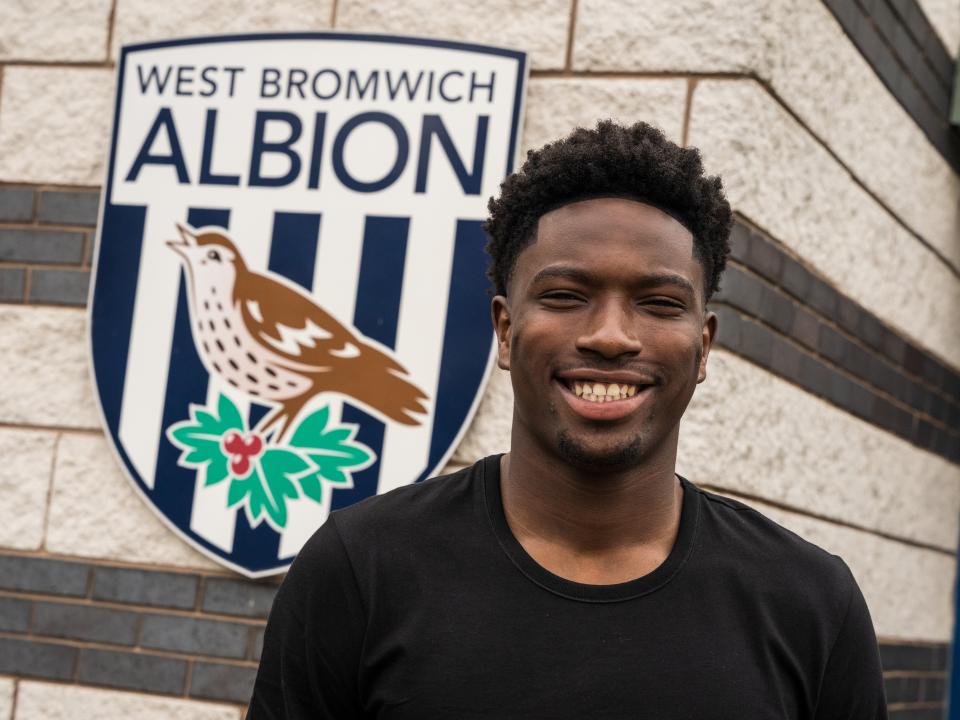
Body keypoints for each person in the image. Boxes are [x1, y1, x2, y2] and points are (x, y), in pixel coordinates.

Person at [247, 120, 887, 719]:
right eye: (564, 296)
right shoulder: (361, 569)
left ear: (704, 346)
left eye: (659, 303)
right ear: (504, 329)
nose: (610, 336)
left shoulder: (810, 604)